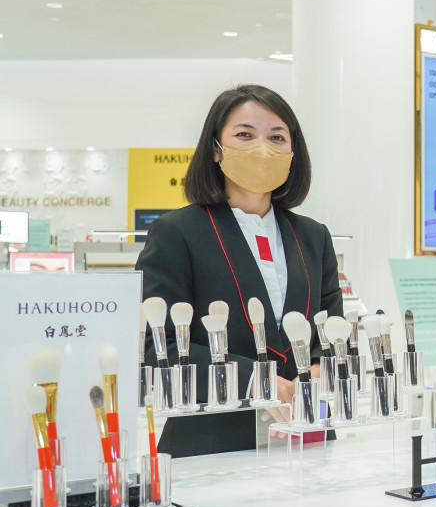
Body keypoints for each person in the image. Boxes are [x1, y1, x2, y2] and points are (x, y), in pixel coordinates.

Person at [137, 85, 343, 456]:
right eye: (245, 135)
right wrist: (256, 380)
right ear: (216, 149)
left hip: (305, 436)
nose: (263, 148)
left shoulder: (314, 236)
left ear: (293, 153)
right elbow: (156, 344)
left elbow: (330, 333)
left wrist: (314, 377)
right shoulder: (178, 232)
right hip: (213, 443)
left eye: (277, 137)